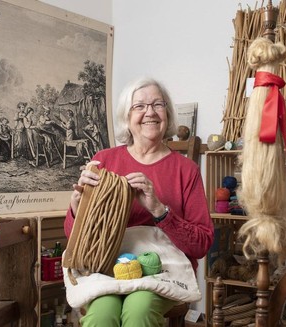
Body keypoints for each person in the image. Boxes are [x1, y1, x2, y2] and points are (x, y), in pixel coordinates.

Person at [64, 77, 214, 327]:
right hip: (107, 265)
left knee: (138, 310)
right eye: (140, 106)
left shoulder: (185, 170)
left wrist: (159, 210)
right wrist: (78, 206)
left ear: (167, 113)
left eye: (158, 104)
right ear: (127, 116)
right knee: (102, 313)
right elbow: (77, 238)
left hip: (163, 269)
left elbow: (202, 244)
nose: (150, 113)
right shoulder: (103, 161)